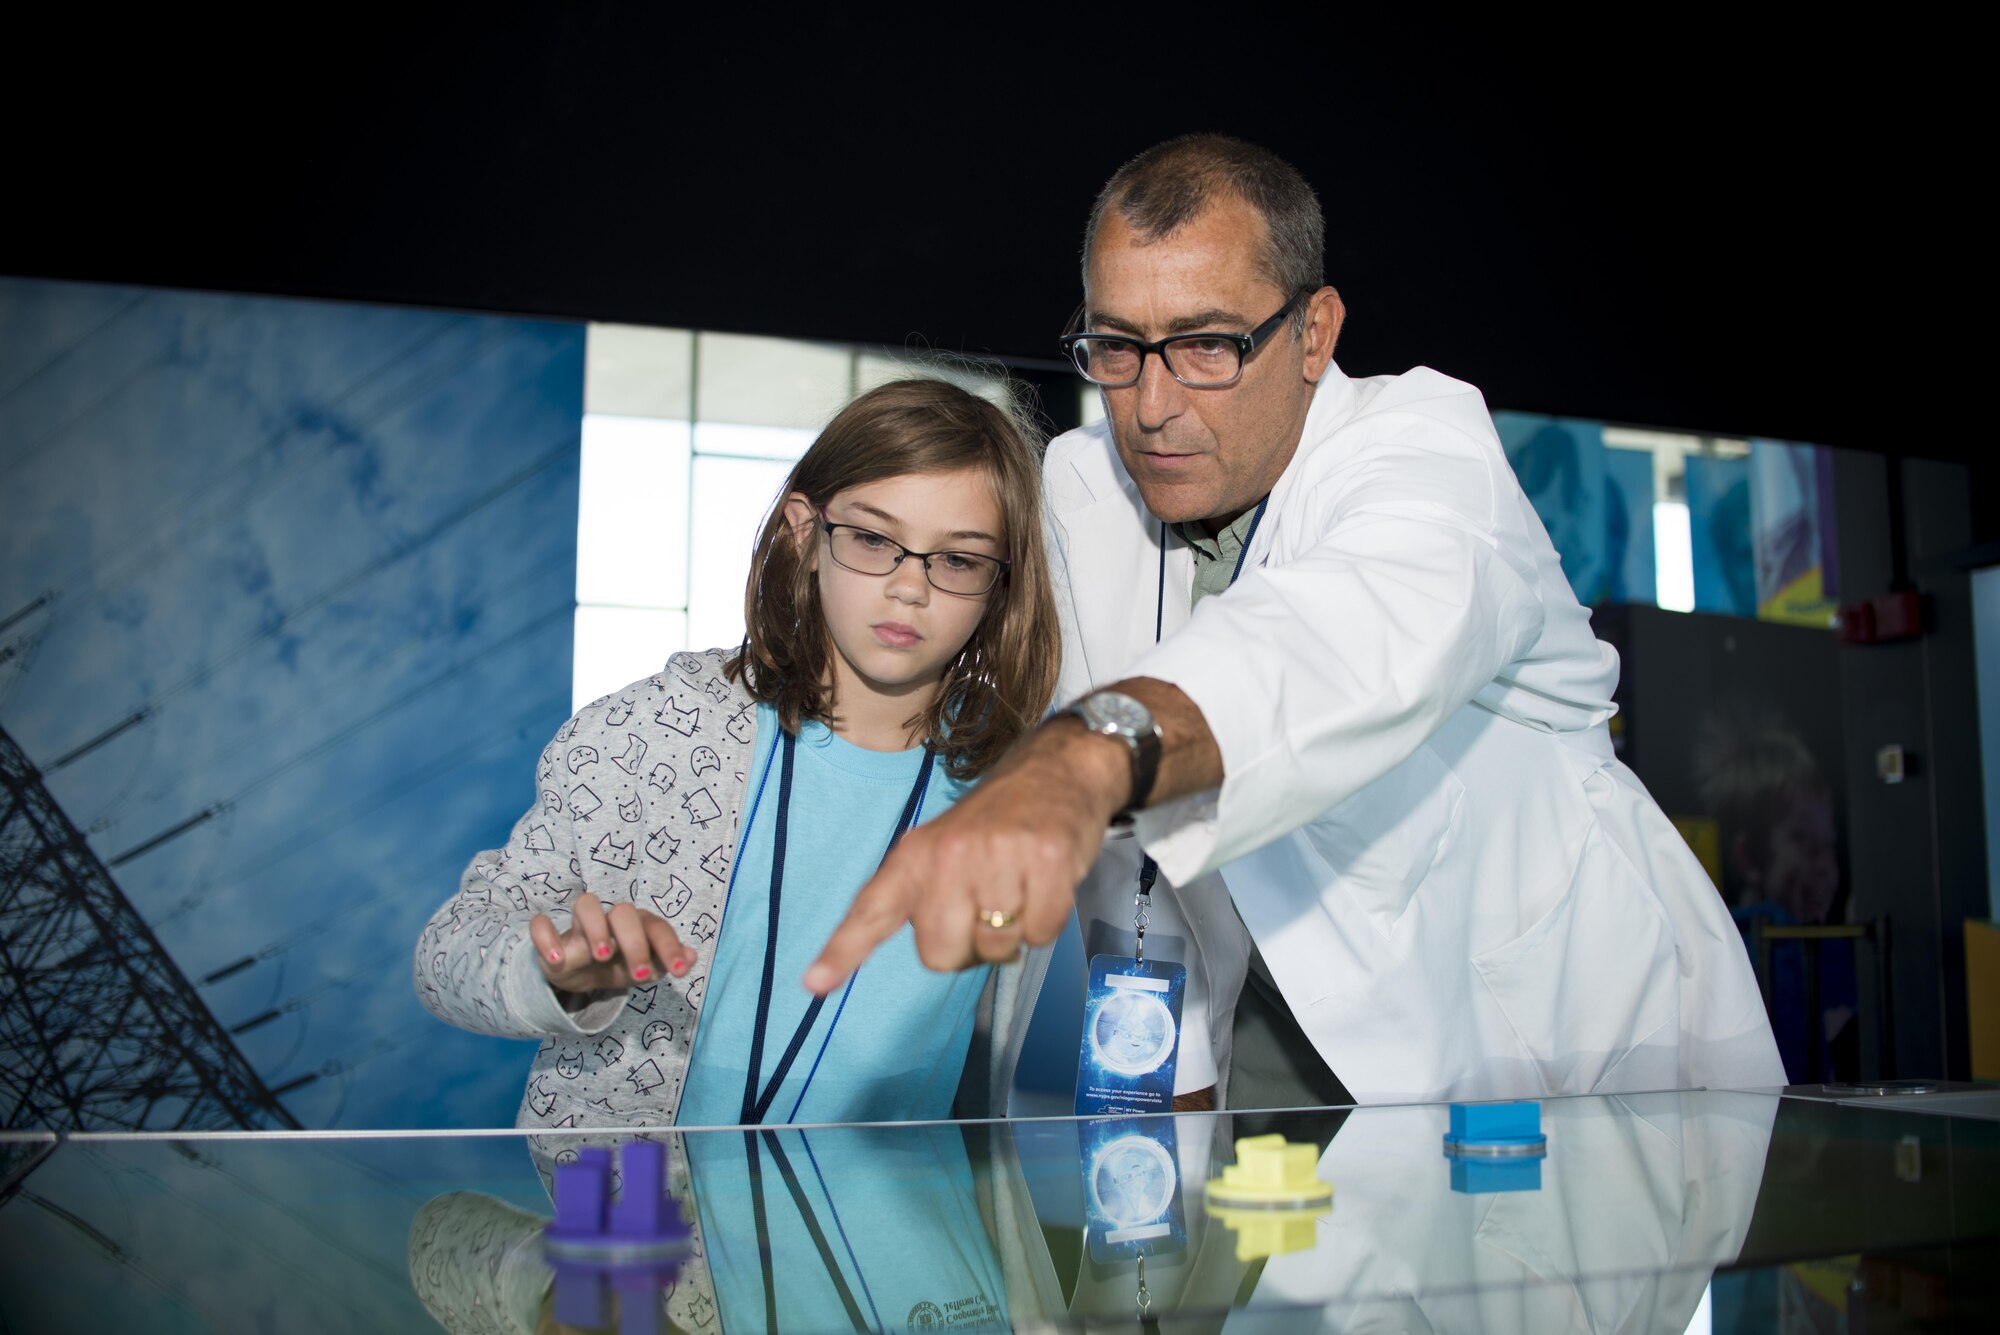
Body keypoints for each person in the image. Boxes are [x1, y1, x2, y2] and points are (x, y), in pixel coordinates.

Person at [807, 135, 1784, 1108]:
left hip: (1566, 1059)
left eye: (1204, 346)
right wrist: (1157, 1104)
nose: (1148, 407)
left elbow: (1317, 646)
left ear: (1312, 333)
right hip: (1291, 1064)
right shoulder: (1081, 489)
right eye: (1115, 347)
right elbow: (1132, 868)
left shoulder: (1422, 453)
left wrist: (1080, 758)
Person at [416, 376, 1061, 1130]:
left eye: (957, 560)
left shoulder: (1022, 789)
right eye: (874, 539)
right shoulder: (656, 733)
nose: (908, 586)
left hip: (891, 1231)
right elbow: (445, 954)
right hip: (649, 1230)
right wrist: (557, 973)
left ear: (1000, 585)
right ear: (802, 532)